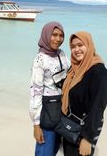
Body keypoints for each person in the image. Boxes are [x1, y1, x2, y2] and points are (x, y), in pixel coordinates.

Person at [61, 31, 107, 156]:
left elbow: (98, 108)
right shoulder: (74, 70)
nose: (76, 50)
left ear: (89, 46)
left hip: (83, 135)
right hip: (69, 130)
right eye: (73, 47)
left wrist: (88, 139)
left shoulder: (99, 73)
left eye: (80, 45)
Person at [29, 21, 70, 156]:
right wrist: (36, 125)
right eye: (54, 35)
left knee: (55, 148)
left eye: (61, 35)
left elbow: (71, 72)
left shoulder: (61, 54)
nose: (58, 39)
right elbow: (35, 92)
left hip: (62, 110)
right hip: (47, 112)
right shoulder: (40, 59)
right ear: (46, 35)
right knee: (44, 151)